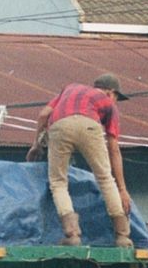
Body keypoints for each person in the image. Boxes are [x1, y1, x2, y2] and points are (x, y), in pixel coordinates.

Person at [27, 72, 133, 248]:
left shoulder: (70, 88)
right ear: (110, 92)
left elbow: (44, 115)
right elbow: (113, 148)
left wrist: (36, 145)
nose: (115, 102)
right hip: (90, 125)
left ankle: (72, 235)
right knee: (105, 178)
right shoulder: (108, 104)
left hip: (59, 126)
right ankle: (122, 236)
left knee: (58, 183)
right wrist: (122, 189)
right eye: (116, 97)